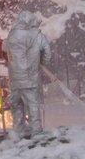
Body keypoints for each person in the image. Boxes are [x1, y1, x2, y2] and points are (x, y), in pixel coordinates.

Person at [4, 10, 51, 139]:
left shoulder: (12, 35)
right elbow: (47, 52)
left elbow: (4, 49)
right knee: (33, 104)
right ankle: (36, 131)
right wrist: (41, 63)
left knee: (17, 104)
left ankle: (19, 129)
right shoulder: (38, 36)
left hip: (15, 79)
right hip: (31, 78)